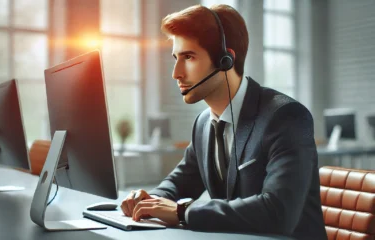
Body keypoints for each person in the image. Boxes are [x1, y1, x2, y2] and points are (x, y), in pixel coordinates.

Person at [121, 4, 327, 239]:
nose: (176, 72)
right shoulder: (203, 124)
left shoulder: (285, 117)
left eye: (188, 57)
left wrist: (182, 212)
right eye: (176, 58)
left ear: (225, 60)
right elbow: (181, 181)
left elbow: (278, 212)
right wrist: (149, 201)